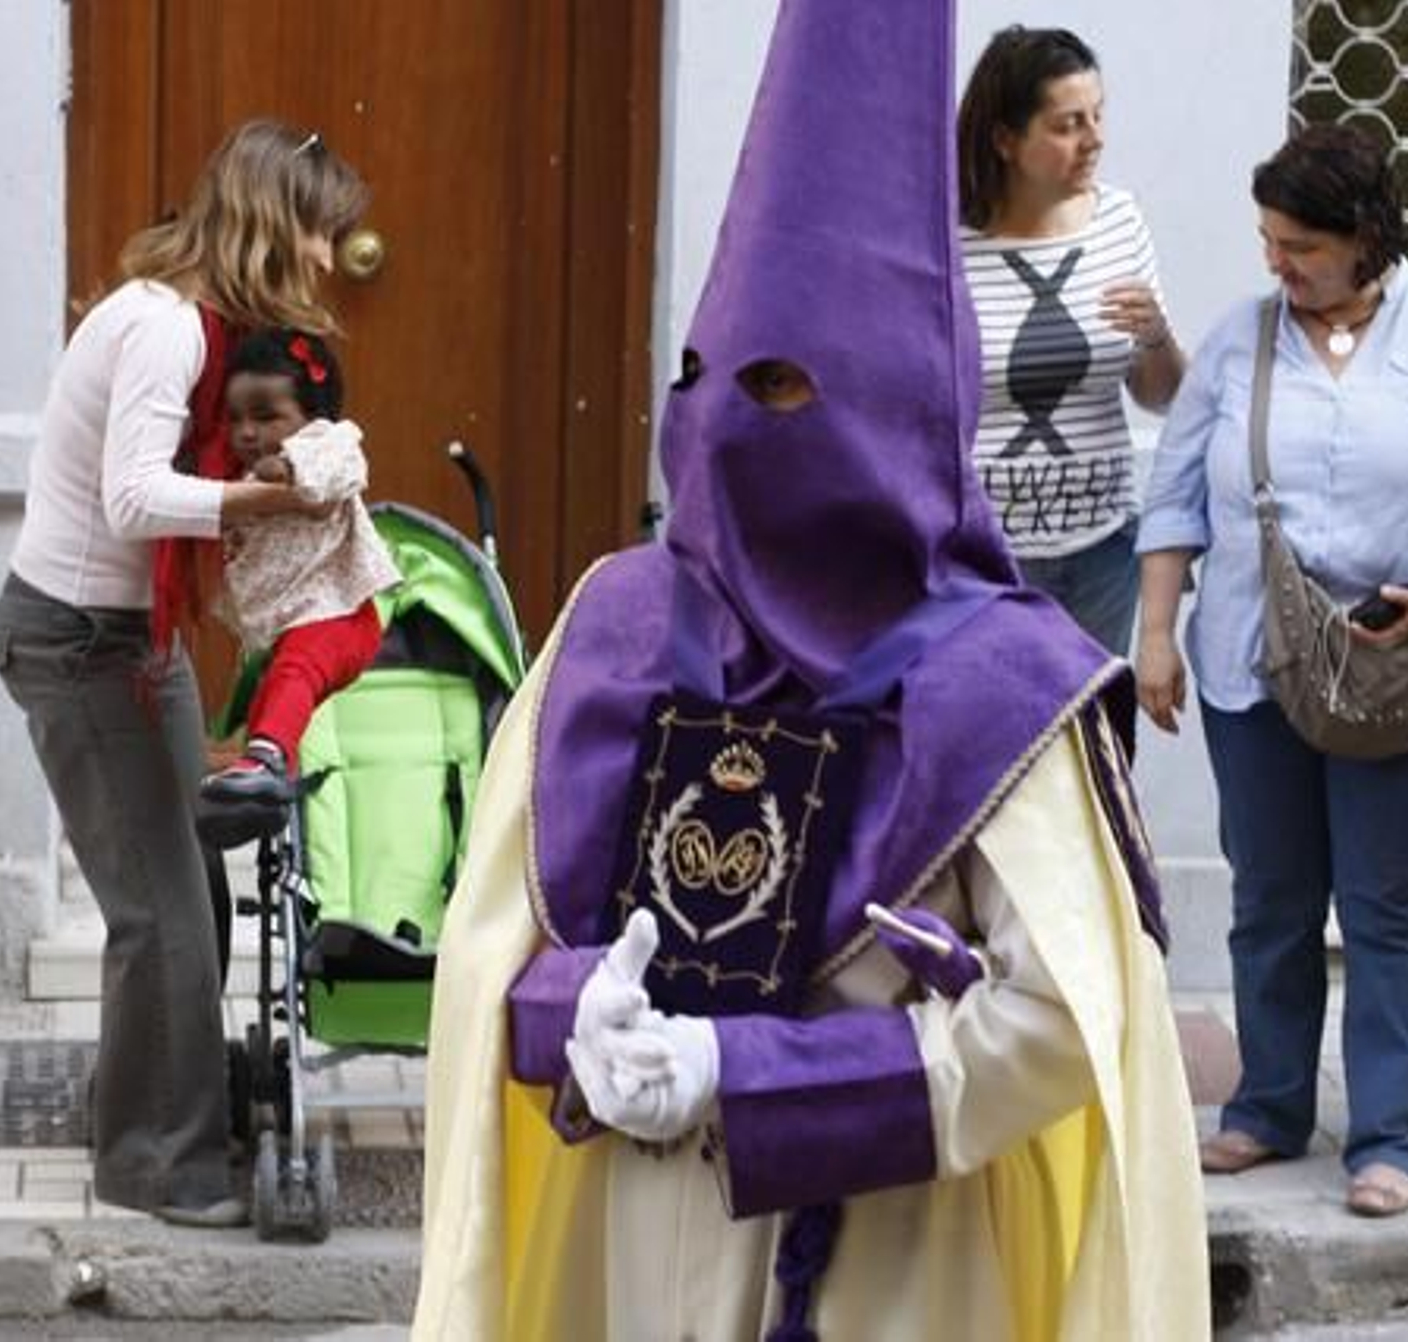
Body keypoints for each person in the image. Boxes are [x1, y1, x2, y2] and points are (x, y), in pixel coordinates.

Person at [415, 2, 1209, 1338]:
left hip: (886, 1252)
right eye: (702, 378)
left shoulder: (1001, 683)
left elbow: (1065, 1016)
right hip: (645, 1235)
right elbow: (499, 942)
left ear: (901, 407)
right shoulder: (615, 623)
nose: (727, 423)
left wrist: (755, 1071)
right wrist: (582, 1018)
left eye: (781, 389)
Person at [1135, 124, 1408, 1218]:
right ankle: (1267, 1108)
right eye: (1269, 240)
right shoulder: (1238, 343)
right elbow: (1174, 493)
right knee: (1270, 897)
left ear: (1366, 237)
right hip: (1248, 661)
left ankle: (1391, 1137)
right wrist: (1158, 632)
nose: (1277, 263)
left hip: (1400, 666)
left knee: (1387, 903)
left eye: (1300, 245)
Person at [0, 120, 368, 1228]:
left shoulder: (208, 328)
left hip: (125, 645)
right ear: (266, 218)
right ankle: (164, 1164)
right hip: (73, 642)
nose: (329, 259)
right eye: (317, 230)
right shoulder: (164, 330)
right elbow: (134, 502)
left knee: (191, 887)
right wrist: (277, 498)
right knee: (163, 915)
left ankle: (147, 1124)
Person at [957, 26, 1185, 655]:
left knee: (1089, 742)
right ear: (1006, 140)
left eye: (1097, 115)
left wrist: (1157, 336)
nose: (1095, 139)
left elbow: (1161, 395)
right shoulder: (946, 245)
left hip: (1104, 550)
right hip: (984, 560)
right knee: (995, 740)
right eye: (1066, 125)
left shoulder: (1119, 220)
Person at [198, 328, 400, 819]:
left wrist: (291, 467)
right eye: (236, 418)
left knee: (295, 672)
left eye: (267, 417)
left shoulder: (327, 444)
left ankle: (266, 760)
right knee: (274, 690)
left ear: (312, 415)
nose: (248, 432)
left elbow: (343, 468)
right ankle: (261, 786)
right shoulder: (246, 480)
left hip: (343, 617)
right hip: (292, 627)